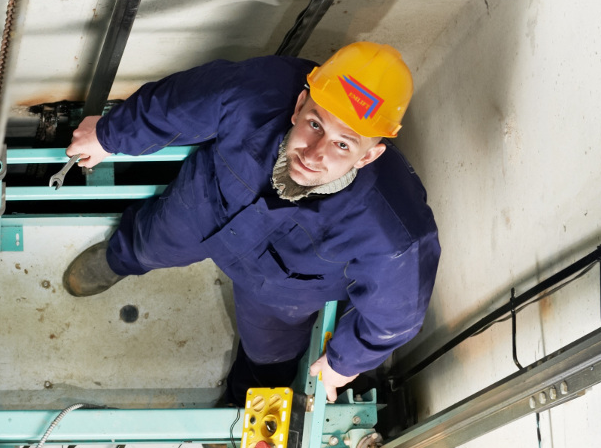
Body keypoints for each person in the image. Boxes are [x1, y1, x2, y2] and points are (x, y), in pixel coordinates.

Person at [60, 42, 439, 404]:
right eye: (315, 124)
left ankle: (240, 405)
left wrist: (345, 362)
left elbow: (396, 316)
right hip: (206, 207)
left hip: (281, 291)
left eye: (343, 144)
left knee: (269, 359)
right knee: (150, 242)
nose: (314, 154)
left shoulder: (392, 230)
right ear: (299, 105)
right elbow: (179, 104)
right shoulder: (257, 91)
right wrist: (108, 135)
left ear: (368, 156)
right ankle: (118, 259)